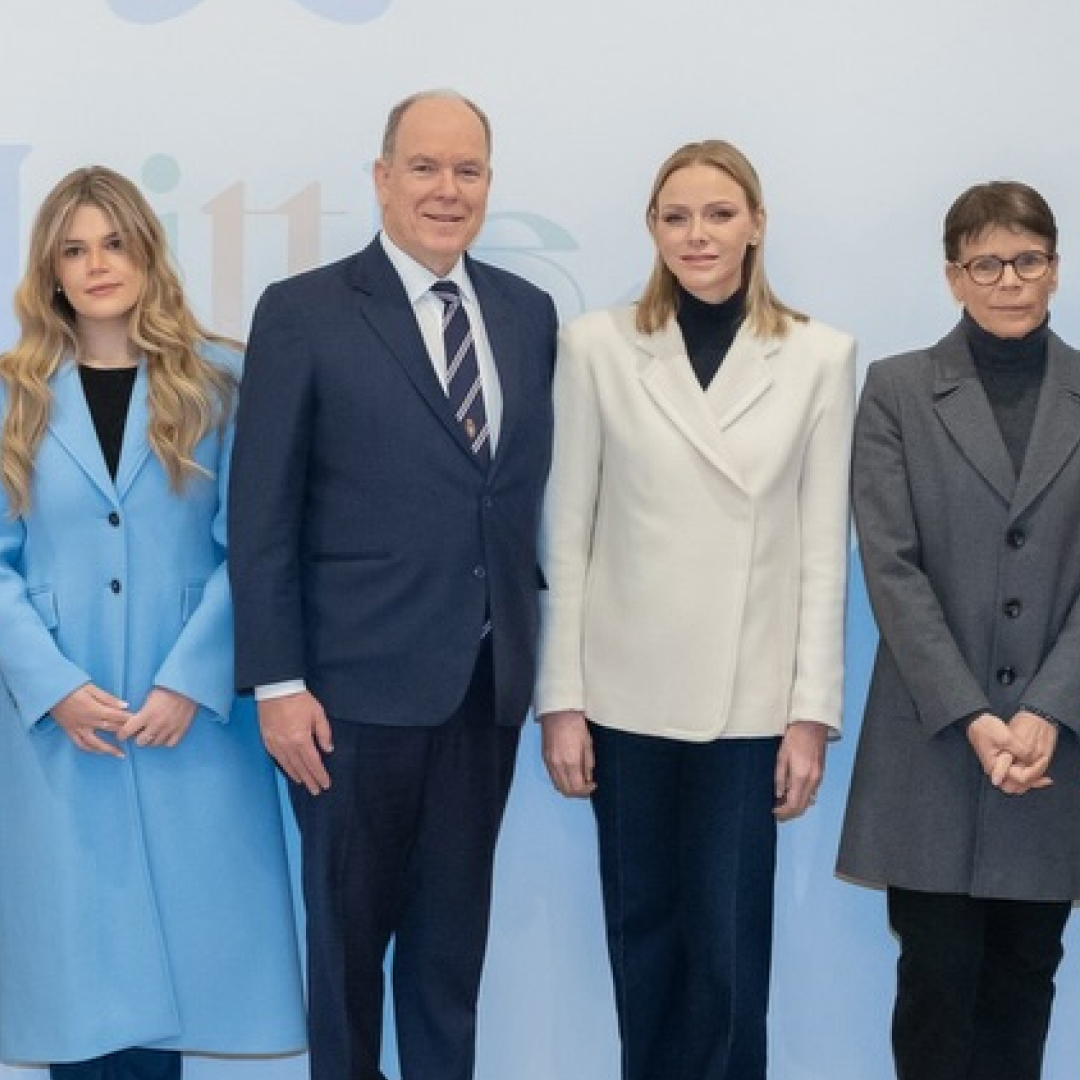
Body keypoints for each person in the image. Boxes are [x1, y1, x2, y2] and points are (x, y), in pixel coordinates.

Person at [227, 90, 557, 1080]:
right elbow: (261, 515)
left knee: (450, 966)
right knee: (346, 965)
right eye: (424, 167)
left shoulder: (527, 314)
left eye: (467, 170)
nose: (446, 189)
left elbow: (510, 500)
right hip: (347, 706)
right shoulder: (303, 313)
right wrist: (278, 685)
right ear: (381, 179)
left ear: (490, 185)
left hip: (482, 693)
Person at [537, 139, 855, 1080]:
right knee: (646, 945)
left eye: (719, 214)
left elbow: (819, 554)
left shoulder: (818, 356)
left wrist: (811, 714)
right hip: (623, 701)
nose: (698, 234)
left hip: (749, 704)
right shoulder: (596, 346)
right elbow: (567, 537)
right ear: (652, 229)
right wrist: (562, 700)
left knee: (728, 955)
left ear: (756, 223)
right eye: (676, 216)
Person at [0, 166, 306, 1080]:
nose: (98, 265)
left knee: (185, 961)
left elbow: (251, 547)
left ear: (147, 251)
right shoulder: (15, 393)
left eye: (115, 242)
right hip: (60, 725)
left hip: (190, 723)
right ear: (51, 269)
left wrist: (189, 679)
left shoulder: (224, 381)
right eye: (75, 248)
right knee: (81, 979)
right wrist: (52, 691)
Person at [837, 180, 1080, 1080]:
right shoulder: (898, 391)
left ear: (1055, 269)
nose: (1008, 279)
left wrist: (1048, 707)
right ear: (953, 276)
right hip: (933, 746)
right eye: (986, 262)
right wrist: (973, 714)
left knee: (1026, 982)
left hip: (1054, 754)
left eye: (1027, 260)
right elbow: (890, 567)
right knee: (934, 988)